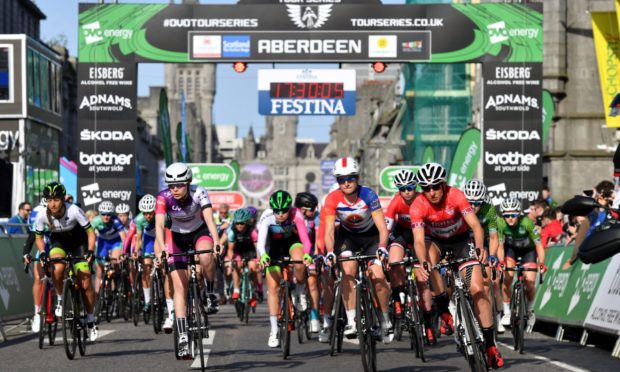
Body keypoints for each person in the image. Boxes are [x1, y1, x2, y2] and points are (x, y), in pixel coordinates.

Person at [410, 163, 503, 369]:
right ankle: (443, 310)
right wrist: (423, 261)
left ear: (443, 185)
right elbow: (418, 240)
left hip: (461, 241)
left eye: (435, 186)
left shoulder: (457, 195)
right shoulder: (418, 205)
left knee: (478, 290)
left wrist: (479, 247)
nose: (432, 192)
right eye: (426, 188)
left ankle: (490, 345)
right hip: (435, 242)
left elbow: (476, 226)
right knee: (428, 263)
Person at [323, 157, 393, 344]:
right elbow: (329, 231)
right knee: (348, 270)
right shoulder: (332, 199)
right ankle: (352, 320)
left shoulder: (368, 195)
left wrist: (382, 248)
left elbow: (382, 229)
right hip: (349, 239)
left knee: (377, 274)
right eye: (341, 179)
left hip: (371, 237)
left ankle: (385, 318)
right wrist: (330, 250)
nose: (346, 183)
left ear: (357, 177)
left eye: (350, 178)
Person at [154, 162, 221, 358]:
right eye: (171, 185)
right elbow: (159, 226)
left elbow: (209, 219)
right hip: (175, 238)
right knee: (180, 287)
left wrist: (216, 241)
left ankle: (210, 291)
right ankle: (182, 336)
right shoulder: (163, 197)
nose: (175, 189)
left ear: (188, 182)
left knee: (206, 255)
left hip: (198, 233)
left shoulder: (199, 192)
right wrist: (161, 249)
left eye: (180, 185)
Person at [32, 182, 98, 341]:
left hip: (78, 243)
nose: (52, 203)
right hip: (58, 242)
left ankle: (90, 319)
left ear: (63, 200)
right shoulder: (42, 214)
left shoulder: (74, 210)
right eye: (49, 200)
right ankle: (60, 299)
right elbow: (39, 237)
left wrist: (90, 251)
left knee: (86, 282)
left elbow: (90, 232)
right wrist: (42, 253)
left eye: (56, 199)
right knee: (57, 268)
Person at [257, 190, 313, 348]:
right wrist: (263, 256)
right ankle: (274, 329)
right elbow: (261, 243)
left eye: (284, 211)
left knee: (299, 262)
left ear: (290, 208)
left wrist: (307, 254)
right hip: (273, 247)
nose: (281, 214)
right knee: (273, 288)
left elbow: (305, 241)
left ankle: (300, 291)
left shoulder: (297, 215)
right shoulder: (267, 217)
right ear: (272, 209)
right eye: (277, 211)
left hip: (292, 243)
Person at [385, 169, 435, 342]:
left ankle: (428, 324)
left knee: (423, 281)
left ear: (416, 187)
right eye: (403, 188)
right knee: (394, 261)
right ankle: (397, 296)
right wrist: (382, 248)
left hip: (420, 235)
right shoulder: (396, 201)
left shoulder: (423, 200)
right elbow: (387, 227)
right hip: (402, 233)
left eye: (410, 187)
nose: (407, 191)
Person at [497, 198, 546, 334]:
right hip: (511, 250)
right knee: (507, 277)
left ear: (519, 214)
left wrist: (541, 263)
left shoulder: (527, 223)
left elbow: (539, 245)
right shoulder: (500, 224)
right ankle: (506, 311)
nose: (510, 218)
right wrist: (501, 262)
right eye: (507, 215)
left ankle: (530, 311)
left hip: (528, 252)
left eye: (513, 215)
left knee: (529, 283)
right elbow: (500, 246)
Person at [463, 179, 503, 334]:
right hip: (464, 242)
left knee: (490, 281)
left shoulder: (489, 210)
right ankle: (455, 305)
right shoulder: (459, 209)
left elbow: (494, 238)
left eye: (477, 203)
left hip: (483, 243)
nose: (473, 207)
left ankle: (494, 316)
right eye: (470, 203)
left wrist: (492, 256)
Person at [563, 180, 615, 269]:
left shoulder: (612, 209)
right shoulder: (591, 211)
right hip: (590, 250)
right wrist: (572, 258)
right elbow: (583, 236)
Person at [295, 191, 322, 334]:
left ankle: (314, 316)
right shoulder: (293, 216)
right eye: (312, 208)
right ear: (302, 208)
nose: (315, 210)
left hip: (310, 252)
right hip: (293, 251)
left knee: (312, 281)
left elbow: (318, 237)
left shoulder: (315, 218)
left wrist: (317, 253)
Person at [22, 198, 48, 333]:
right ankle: (37, 311)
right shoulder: (39, 218)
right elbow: (31, 238)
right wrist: (25, 254)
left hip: (58, 247)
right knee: (38, 278)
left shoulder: (61, 216)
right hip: (43, 249)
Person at [91, 201, 126, 294]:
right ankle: (98, 297)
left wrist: (123, 251)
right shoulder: (95, 221)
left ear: (112, 214)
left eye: (108, 214)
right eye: (103, 214)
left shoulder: (116, 221)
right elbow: (90, 236)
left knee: (114, 261)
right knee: (99, 270)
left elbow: (124, 238)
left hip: (115, 242)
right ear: (100, 214)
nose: (106, 217)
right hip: (103, 242)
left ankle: (116, 286)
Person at [226, 208, 259, 307]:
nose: (239, 226)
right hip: (238, 251)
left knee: (253, 267)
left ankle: (253, 291)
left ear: (247, 223)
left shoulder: (252, 231)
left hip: (250, 251)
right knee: (236, 264)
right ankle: (236, 289)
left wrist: (258, 259)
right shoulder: (232, 231)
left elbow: (258, 248)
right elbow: (230, 249)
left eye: (242, 223)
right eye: (237, 223)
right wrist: (231, 260)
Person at [132, 195, 157, 314]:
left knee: (163, 270)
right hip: (148, 242)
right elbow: (138, 239)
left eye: (150, 213)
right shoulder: (139, 219)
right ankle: (148, 301)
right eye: (145, 213)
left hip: (159, 239)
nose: (148, 216)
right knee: (146, 270)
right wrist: (137, 251)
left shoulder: (161, 216)